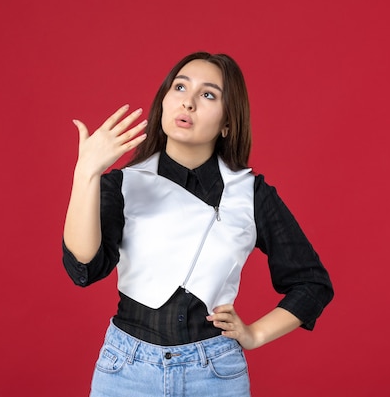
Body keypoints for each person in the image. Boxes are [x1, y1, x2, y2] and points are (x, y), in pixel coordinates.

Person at [62, 52, 334, 396]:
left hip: (215, 373)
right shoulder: (123, 184)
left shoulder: (249, 193)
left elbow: (312, 284)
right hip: (126, 369)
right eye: (179, 87)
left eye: (208, 94)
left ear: (227, 123)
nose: (187, 103)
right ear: (163, 102)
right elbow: (84, 266)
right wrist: (85, 174)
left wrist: (255, 335)